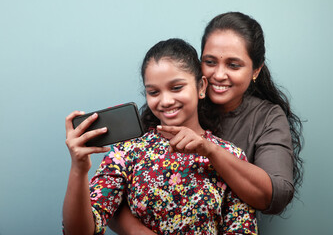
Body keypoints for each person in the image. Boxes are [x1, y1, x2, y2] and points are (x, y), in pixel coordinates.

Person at [109, 11, 304, 234]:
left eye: (233, 65)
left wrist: (210, 150)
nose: (218, 75)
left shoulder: (266, 117)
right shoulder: (174, 106)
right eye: (210, 62)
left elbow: (275, 196)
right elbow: (112, 193)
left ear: (255, 70)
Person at [62, 38, 258, 234]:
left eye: (176, 88)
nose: (165, 101)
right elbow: (79, 232)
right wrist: (79, 169)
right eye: (154, 92)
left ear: (201, 87)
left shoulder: (229, 155)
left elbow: (242, 228)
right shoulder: (127, 153)